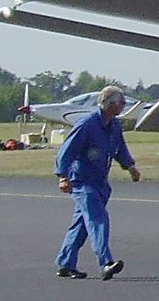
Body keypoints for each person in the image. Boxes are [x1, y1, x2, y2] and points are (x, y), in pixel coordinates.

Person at [53, 86, 140, 280]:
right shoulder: (86, 125)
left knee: (81, 224)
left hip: (101, 183)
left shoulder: (114, 126)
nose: (123, 106)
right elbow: (66, 151)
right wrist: (62, 176)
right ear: (109, 104)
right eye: (121, 103)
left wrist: (130, 167)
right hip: (83, 182)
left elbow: (119, 150)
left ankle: (66, 262)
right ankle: (106, 262)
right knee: (98, 220)